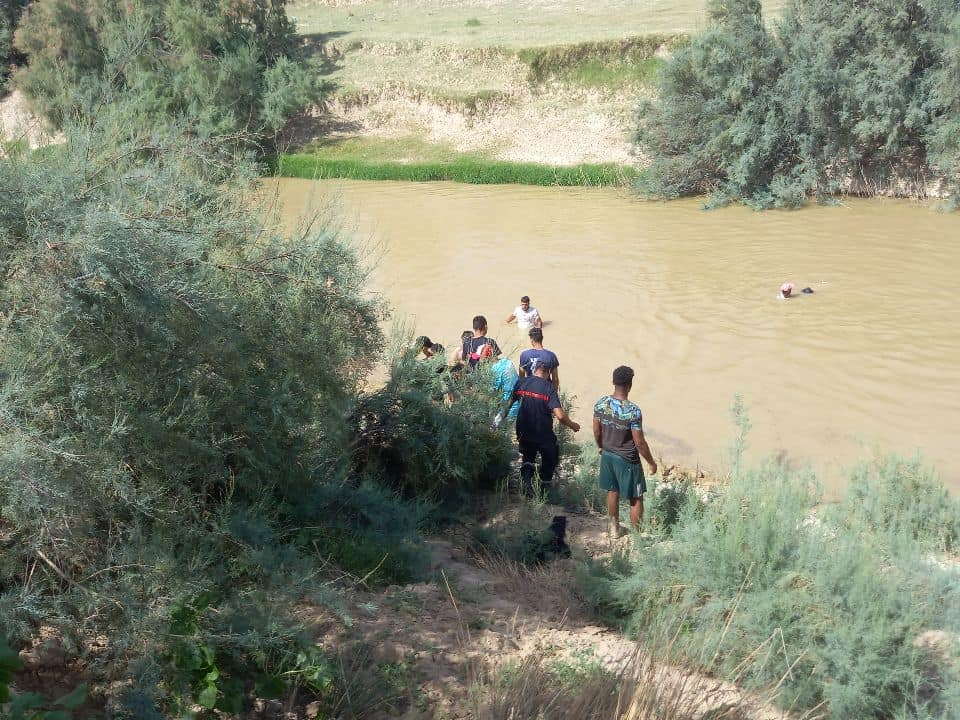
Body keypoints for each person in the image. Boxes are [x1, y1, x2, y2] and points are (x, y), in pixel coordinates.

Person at [593, 365, 657, 540]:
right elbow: (640, 443)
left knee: (612, 491)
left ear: (614, 382)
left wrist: (600, 446)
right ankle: (636, 538)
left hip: (608, 455)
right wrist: (651, 463)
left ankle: (614, 529)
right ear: (630, 384)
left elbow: (597, 431)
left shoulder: (601, 404)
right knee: (636, 497)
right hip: (628, 460)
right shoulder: (633, 411)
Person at [510, 361, 580, 497]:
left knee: (528, 457)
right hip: (542, 432)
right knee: (551, 456)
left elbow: (510, 402)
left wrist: (500, 417)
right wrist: (573, 425)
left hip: (523, 429)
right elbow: (560, 415)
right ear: (548, 373)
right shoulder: (548, 387)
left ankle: (525, 484)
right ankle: (543, 489)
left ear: (534, 370)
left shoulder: (521, 382)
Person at [490, 352, 520, 427]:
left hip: (508, 407)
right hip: (518, 402)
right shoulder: (506, 361)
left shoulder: (495, 369)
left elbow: (491, 392)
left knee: (503, 431)